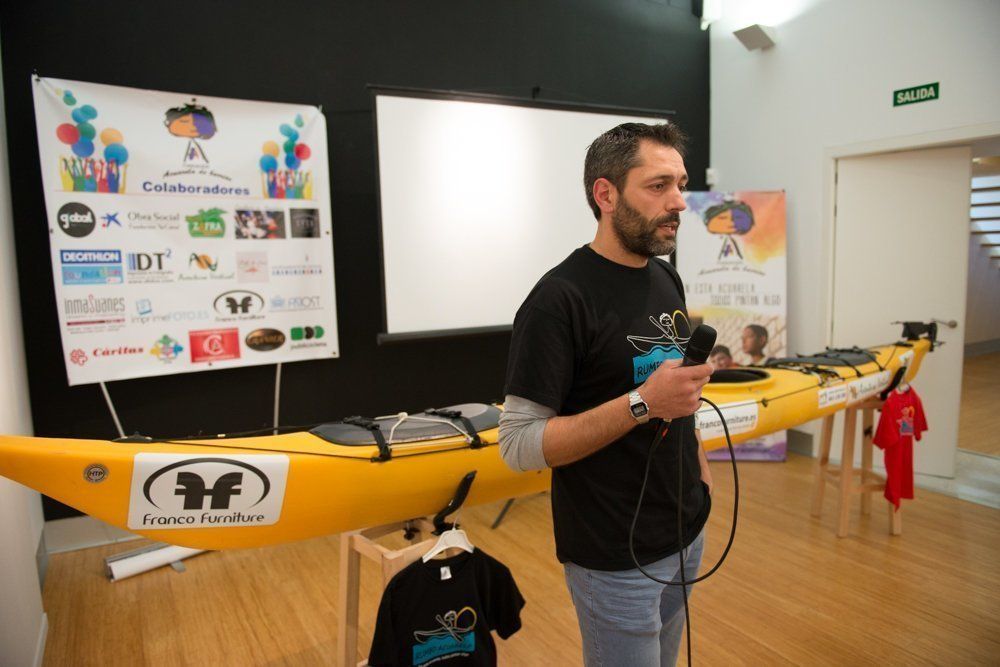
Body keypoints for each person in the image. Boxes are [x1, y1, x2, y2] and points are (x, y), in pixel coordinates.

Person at [498, 122, 714, 666]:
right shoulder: (558, 300)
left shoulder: (668, 279)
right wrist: (644, 402)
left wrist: (700, 479)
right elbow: (519, 445)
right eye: (659, 185)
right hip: (614, 557)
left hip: (686, 530)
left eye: (681, 184)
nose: (679, 203)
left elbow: (679, 394)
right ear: (606, 193)